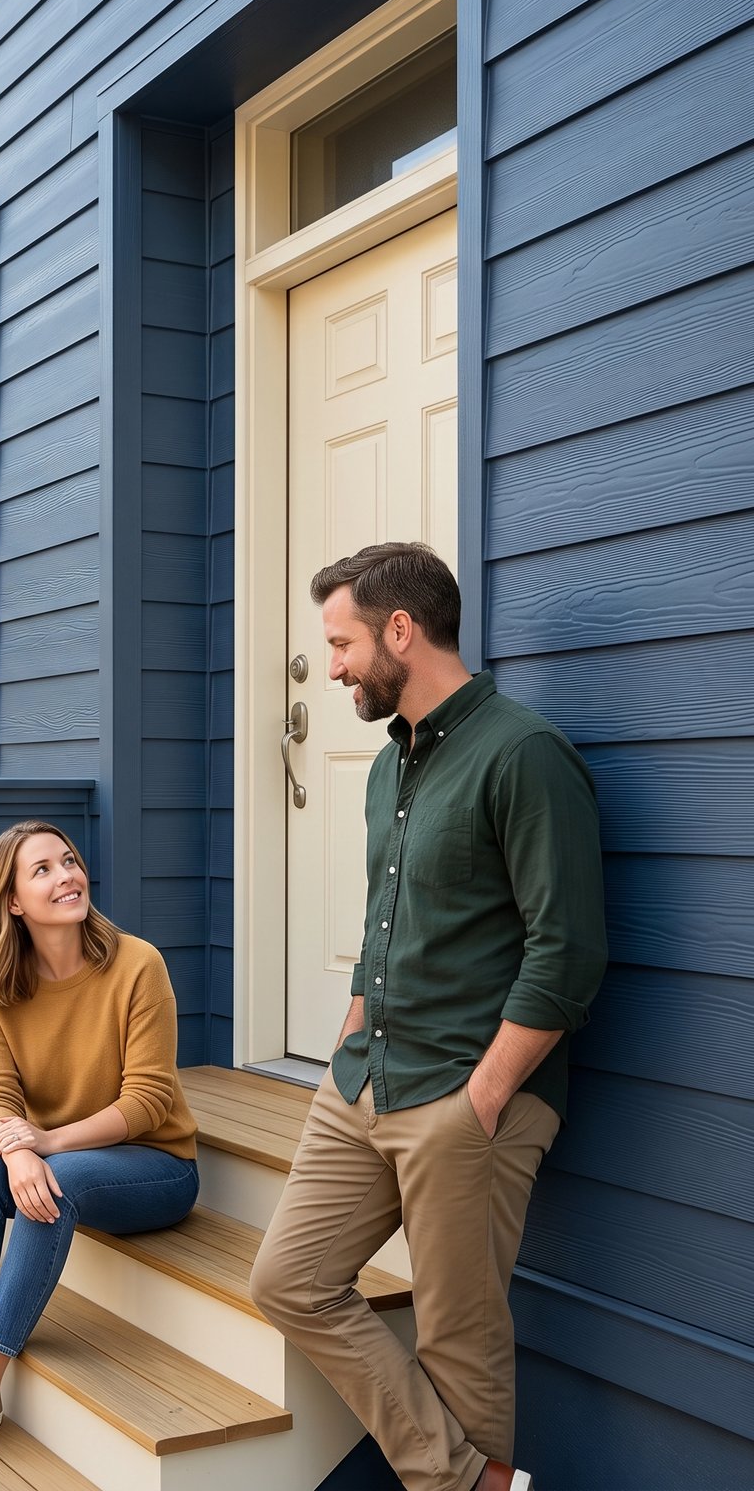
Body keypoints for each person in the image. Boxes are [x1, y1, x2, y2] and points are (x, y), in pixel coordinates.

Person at [250, 542, 608, 1491]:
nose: (330, 670)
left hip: (466, 1094)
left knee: (459, 1337)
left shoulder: (524, 755)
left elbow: (566, 950)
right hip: (365, 1077)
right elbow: (382, 926)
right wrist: (342, 1049)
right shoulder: (386, 769)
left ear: (400, 631)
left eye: (341, 645)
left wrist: (481, 1101)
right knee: (286, 1279)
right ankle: (464, 1479)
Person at [0, 820, 200, 1457]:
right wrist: (14, 1147)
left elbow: (149, 1101)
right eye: (44, 870)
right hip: (56, 1152)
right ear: (12, 901)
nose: (68, 877)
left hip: (156, 1164)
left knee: (51, 1183)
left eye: (70, 861)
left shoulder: (138, 965)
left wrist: (44, 1146)